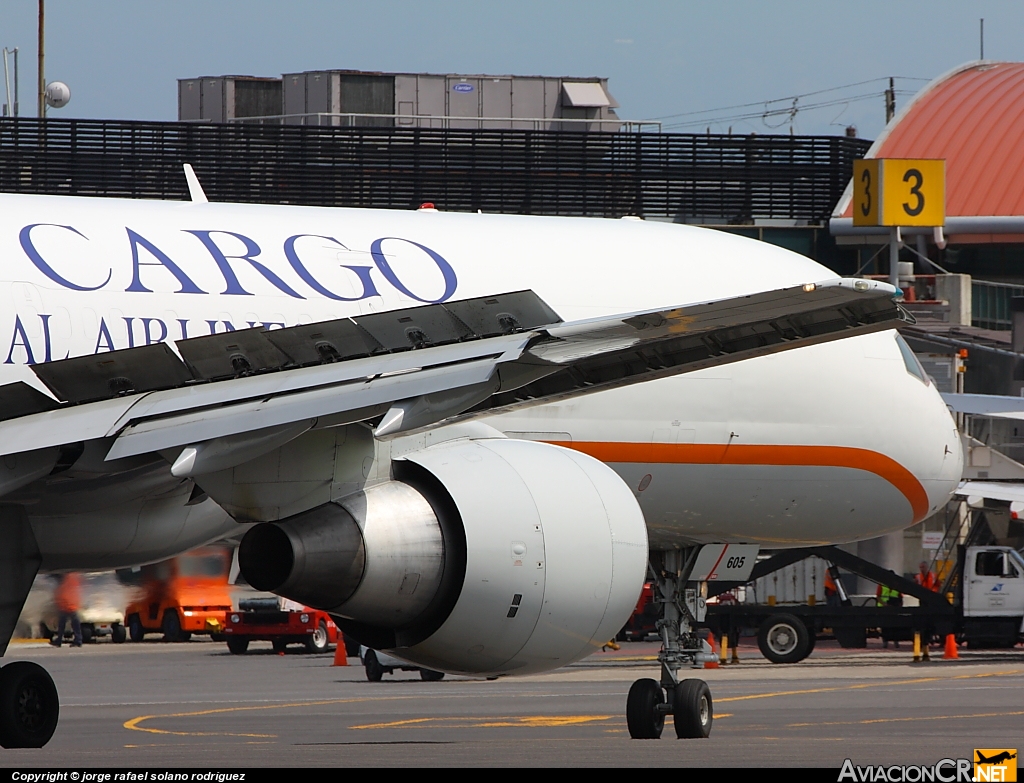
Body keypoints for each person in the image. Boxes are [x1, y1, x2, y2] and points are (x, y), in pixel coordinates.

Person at [51, 573, 83, 648]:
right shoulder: (71, 580)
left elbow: (64, 594)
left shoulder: (66, 582)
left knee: (66, 624)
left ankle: (76, 640)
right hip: (68, 605)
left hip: (68, 605)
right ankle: (76, 640)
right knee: (70, 624)